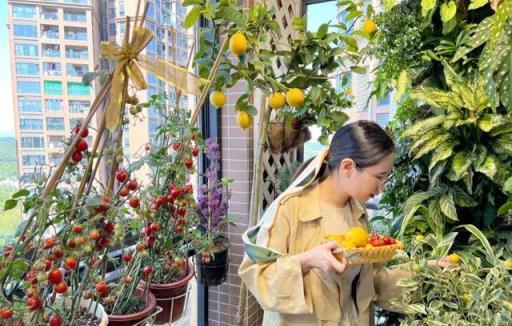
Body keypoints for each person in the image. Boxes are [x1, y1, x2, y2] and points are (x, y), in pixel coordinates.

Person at [239, 120, 410, 325]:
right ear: (348, 167)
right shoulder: (290, 209)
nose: (382, 187)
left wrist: (426, 271)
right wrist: (306, 261)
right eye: (379, 177)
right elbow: (259, 277)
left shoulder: (358, 213)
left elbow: (369, 283)